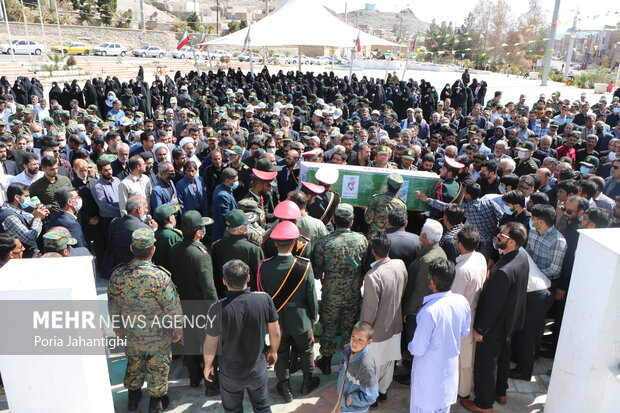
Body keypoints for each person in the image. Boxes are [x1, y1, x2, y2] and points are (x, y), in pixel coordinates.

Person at [107, 228, 183, 413]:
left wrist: (118, 329)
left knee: (134, 363)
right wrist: (177, 331)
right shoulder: (160, 277)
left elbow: (113, 306)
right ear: (153, 250)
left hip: (132, 333)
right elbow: (172, 309)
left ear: (131, 248)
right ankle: (155, 404)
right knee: (158, 366)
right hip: (158, 336)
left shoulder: (118, 275)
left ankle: (133, 400)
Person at [461, 223, 529, 413]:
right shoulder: (522, 256)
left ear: (512, 242)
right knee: (504, 358)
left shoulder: (502, 272)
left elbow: (493, 304)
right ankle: (501, 392)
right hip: (511, 321)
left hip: (495, 326)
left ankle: (483, 403)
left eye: (502, 235)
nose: (498, 237)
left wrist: (480, 330)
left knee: (486, 364)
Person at [203, 260, 281, 413]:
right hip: (257, 369)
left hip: (230, 372)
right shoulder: (264, 299)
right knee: (262, 407)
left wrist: (207, 365)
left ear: (224, 281)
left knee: (232, 410)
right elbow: (275, 331)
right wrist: (273, 350)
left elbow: (210, 343)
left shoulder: (216, 308)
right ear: (248, 278)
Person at [257, 220, 320, 402]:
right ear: (294, 243)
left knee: (281, 352)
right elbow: (311, 295)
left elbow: (263, 296)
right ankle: (307, 383)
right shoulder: (305, 266)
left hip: (276, 322)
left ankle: (285, 389)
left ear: (275, 243)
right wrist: (313, 315)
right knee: (306, 349)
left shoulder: (264, 266)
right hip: (301, 319)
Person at [312, 203, 368, 375]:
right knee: (349, 327)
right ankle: (348, 362)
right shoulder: (362, 240)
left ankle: (326, 362)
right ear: (351, 221)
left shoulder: (324, 243)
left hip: (331, 294)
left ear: (334, 220)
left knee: (328, 326)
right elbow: (365, 268)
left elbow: (316, 272)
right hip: (352, 293)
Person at [409, 258, 471, 413]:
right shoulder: (462, 302)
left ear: (432, 282)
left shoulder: (429, 312)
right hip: (448, 373)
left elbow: (418, 349)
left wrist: (410, 344)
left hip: (427, 378)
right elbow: (464, 332)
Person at [169, 211, 217, 391]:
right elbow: (208, 287)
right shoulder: (201, 254)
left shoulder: (175, 249)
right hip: (202, 308)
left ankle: (194, 378)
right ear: (198, 231)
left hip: (183, 304)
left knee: (190, 344)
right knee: (208, 347)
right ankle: (211, 385)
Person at [360, 233, 407, 406]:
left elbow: (369, 310)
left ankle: (371, 398)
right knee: (388, 362)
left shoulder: (372, 276)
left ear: (373, 251)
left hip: (377, 330)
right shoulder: (400, 265)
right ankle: (383, 392)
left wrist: (363, 333)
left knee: (372, 366)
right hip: (395, 325)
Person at [418, 183, 503, 259]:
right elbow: (501, 215)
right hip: (496, 239)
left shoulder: (467, 208)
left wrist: (427, 200)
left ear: (468, 195)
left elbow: (446, 207)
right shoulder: (489, 202)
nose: (463, 194)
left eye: (465, 192)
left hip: (485, 244)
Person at [451, 225, 487, 399]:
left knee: (463, 358)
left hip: (463, 317)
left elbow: (455, 299)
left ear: (460, 244)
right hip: (474, 310)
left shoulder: (461, 271)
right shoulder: (480, 257)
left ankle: (463, 390)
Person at [402, 219, 447, 352]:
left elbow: (420, 292)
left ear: (425, 236)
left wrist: (406, 311)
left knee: (415, 350)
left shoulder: (427, 260)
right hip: (424, 309)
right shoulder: (438, 251)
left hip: (417, 313)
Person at [211, 209, 264, 295]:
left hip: (225, 296)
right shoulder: (254, 249)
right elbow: (260, 278)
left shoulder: (216, 246)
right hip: (250, 297)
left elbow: (215, 275)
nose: (248, 227)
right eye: (246, 225)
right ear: (241, 229)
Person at [334, 321, 379, 413]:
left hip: (354, 409)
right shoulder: (347, 349)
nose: (354, 343)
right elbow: (343, 364)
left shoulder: (366, 366)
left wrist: (350, 400)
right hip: (343, 401)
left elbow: (371, 396)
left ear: (369, 342)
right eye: (353, 337)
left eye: (360, 340)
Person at [0, 183, 49, 257]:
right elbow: (29, 238)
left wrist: (39, 217)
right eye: (26, 196)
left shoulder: (16, 211)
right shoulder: (10, 217)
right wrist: (37, 218)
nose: (29, 199)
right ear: (17, 197)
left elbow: (24, 230)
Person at [109, 196, 156, 268]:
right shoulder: (144, 229)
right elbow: (149, 251)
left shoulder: (115, 222)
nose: (147, 210)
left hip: (117, 267)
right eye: (145, 207)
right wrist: (154, 230)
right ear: (139, 209)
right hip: (135, 270)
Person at [152, 204, 181, 272]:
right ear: (170, 218)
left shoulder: (154, 234)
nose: (174, 217)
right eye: (173, 215)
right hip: (174, 274)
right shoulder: (174, 235)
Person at [212, 167, 239, 241]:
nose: (237, 183)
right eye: (235, 181)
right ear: (227, 181)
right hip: (224, 234)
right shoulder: (222, 195)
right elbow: (225, 218)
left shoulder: (222, 187)